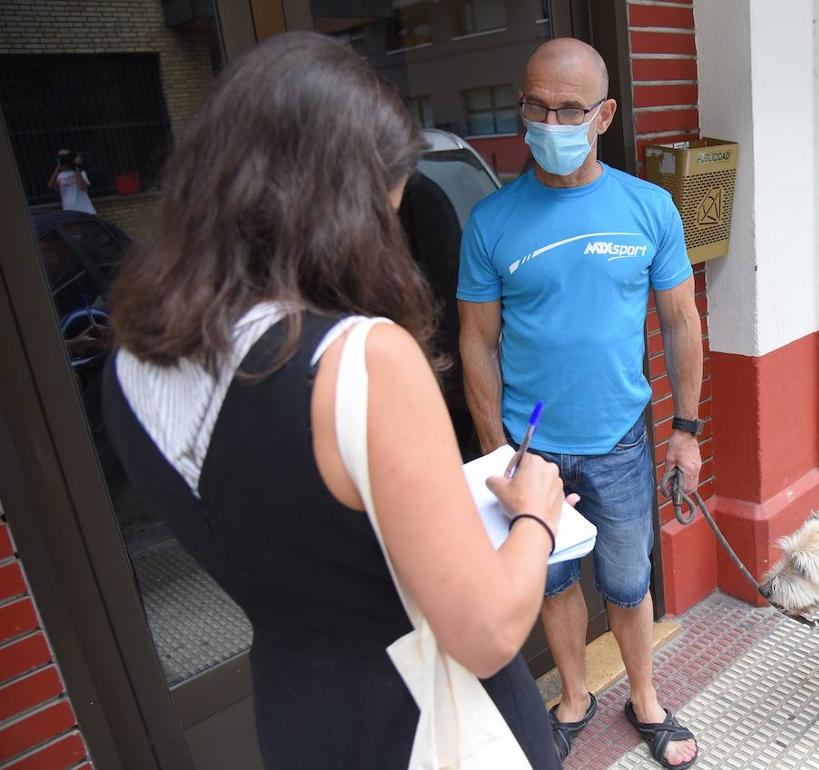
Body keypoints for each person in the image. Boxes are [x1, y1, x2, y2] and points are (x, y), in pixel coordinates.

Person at [103, 32, 566, 769]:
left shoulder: (134, 361)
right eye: (387, 201)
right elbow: (485, 630)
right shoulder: (361, 360)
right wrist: (537, 517)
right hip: (435, 725)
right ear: (337, 202)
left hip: (301, 715)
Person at [458, 38, 704, 769]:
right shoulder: (491, 223)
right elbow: (476, 343)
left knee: (629, 584)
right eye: (537, 106)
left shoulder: (648, 207)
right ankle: (573, 696)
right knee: (554, 580)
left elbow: (681, 321)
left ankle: (645, 697)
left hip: (621, 441)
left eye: (570, 109)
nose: (551, 122)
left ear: (605, 115)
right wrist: (499, 451)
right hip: (532, 450)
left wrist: (685, 431)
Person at [48, 148, 96, 214]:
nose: (63, 160)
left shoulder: (81, 173)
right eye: (60, 158)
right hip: (69, 212)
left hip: (85, 210)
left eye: (65, 158)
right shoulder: (59, 176)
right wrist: (57, 169)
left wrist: (77, 167)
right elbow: (51, 186)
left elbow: (81, 187)